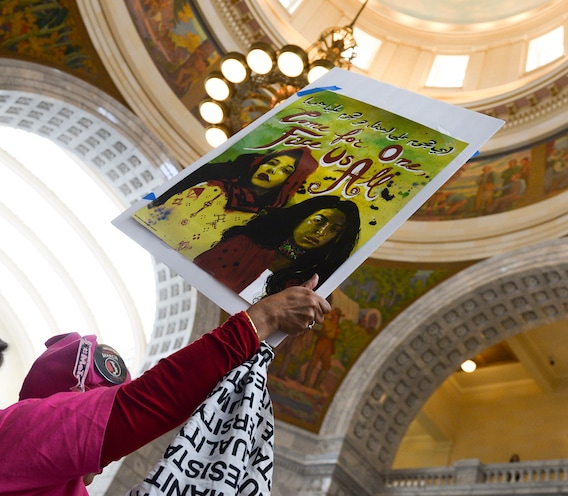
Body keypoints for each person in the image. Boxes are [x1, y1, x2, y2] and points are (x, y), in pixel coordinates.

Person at [0, 276, 330, 494]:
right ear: (67, 405)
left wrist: (261, 342)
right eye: (96, 406)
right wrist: (264, 318)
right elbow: (144, 404)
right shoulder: (20, 431)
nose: (110, 457)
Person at [131, 148, 319, 259]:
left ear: (288, 183)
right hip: (144, 242)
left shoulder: (258, 220)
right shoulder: (214, 188)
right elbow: (158, 217)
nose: (271, 169)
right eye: (272, 162)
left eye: (284, 170)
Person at [194, 195, 361, 299]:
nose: (321, 232)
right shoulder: (244, 244)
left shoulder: (304, 282)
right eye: (319, 220)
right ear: (301, 217)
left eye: (334, 230)